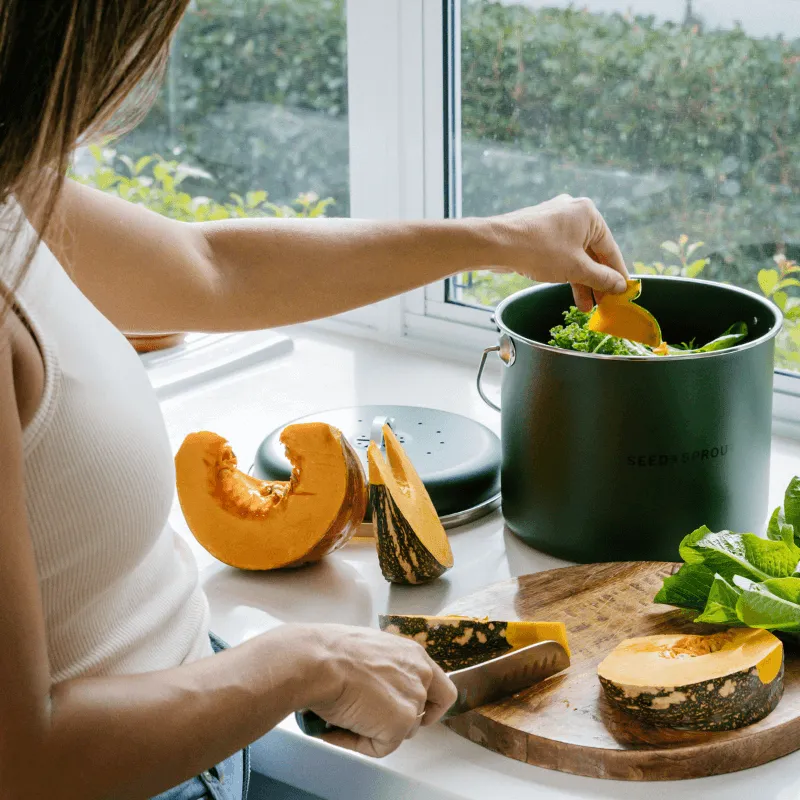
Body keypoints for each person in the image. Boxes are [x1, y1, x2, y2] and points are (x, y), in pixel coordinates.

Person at [0, 3, 629, 799]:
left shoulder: (11, 189)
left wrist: (501, 238)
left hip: (196, 721)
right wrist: (302, 663)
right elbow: (22, 761)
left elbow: (210, 269)